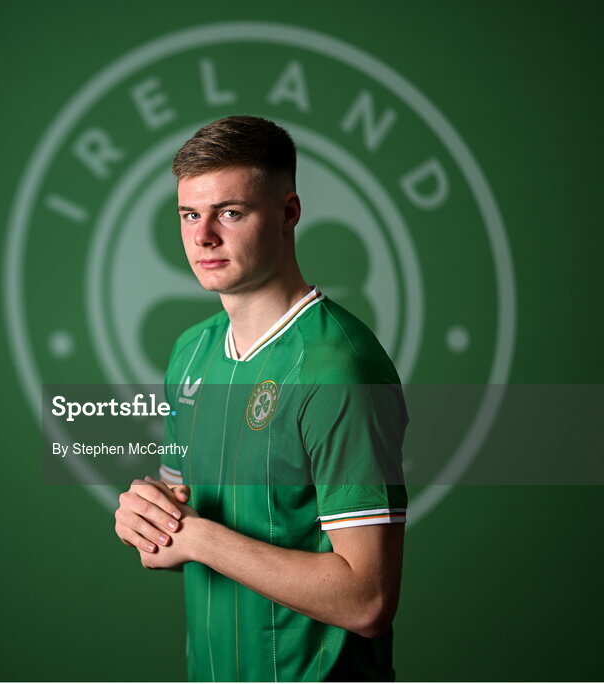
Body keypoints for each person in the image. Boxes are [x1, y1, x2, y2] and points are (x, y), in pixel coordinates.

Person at [113, 116, 408, 682]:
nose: (203, 237)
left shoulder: (340, 368)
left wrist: (200, 537)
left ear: (288, 213)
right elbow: (182, 532)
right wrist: (149, 517)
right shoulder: (190, 352)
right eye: (189, 215)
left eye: (230, 212)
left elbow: (367, 601)